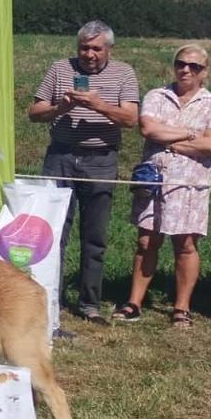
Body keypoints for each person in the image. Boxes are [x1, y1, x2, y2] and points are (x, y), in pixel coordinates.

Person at [28, 20, 139, 325]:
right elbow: (34, 112)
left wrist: (98, 104)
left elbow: (131, 118)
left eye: (96, 48)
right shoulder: (59, 68)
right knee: (52, 233)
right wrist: (60, 109)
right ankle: (50, 296)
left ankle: (89, 302)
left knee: (95, 234)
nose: (89, 54)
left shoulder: (124, 73)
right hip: (60, 157)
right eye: (84, 48)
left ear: (109, 50)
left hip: (100, 160)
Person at [113, 45, 211, 328]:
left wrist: (170, 140)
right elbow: (149, 129)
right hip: (153, 180)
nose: (186, 70)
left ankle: (181, 307)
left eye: (194, 66)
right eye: (181, 64)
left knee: (185, 244)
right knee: (146, 241)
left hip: (190, 185)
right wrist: (191, 134)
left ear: (205, 73)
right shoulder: (156, 96)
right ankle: (134, 302)